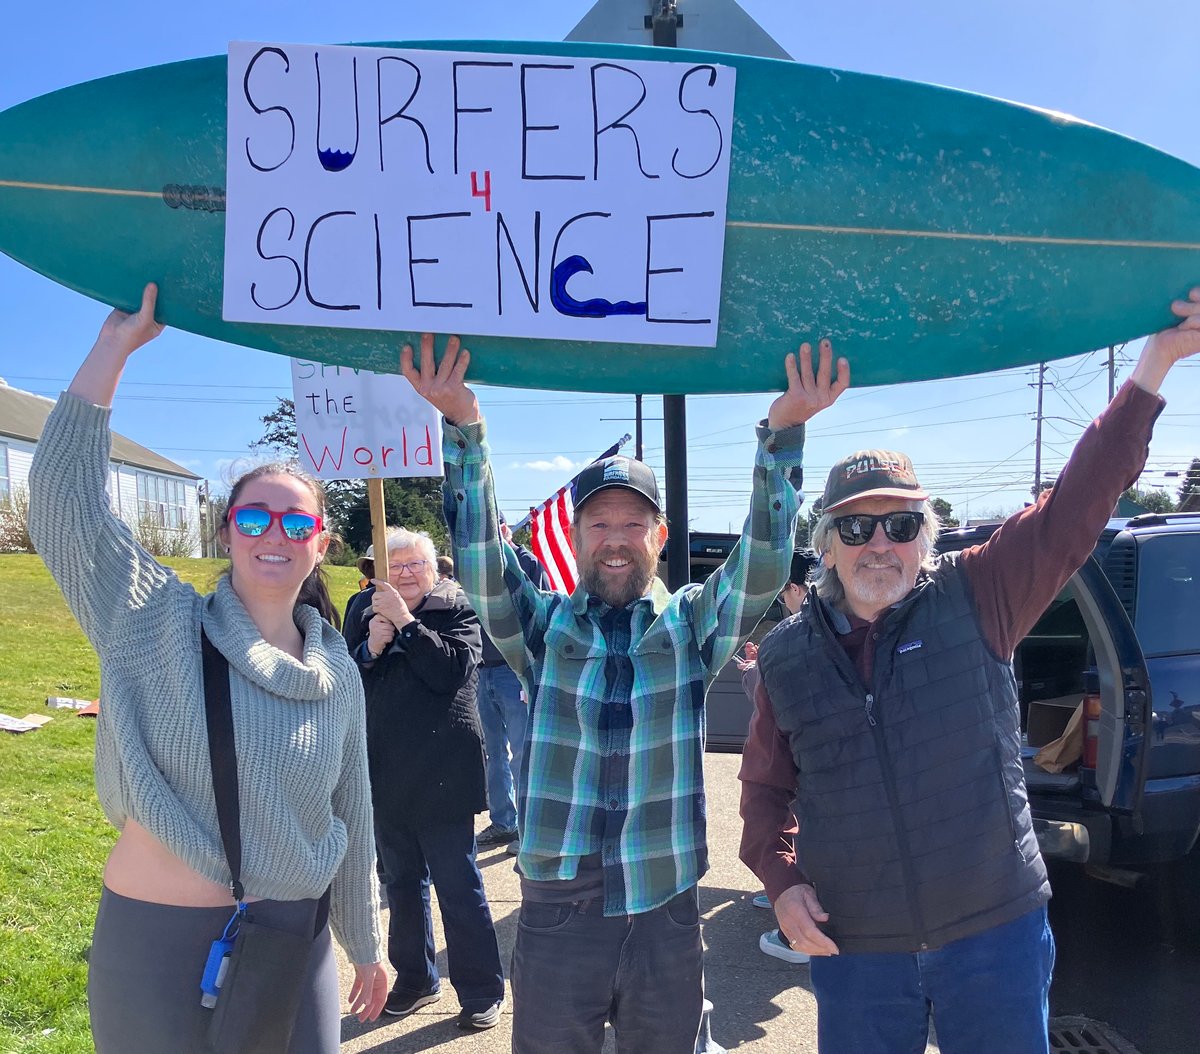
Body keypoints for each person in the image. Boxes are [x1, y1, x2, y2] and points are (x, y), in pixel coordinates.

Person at [739, 290, 1200, 1054]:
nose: (877, 544)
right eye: (855, 526)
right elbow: (762, 790)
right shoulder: (788, 653)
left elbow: (1077, 506)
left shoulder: (980, 591)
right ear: (826, 543)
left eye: (899, 523)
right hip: (857, 947)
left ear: (927, 535)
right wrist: (782, 884)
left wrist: (1154, 365)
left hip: (995, 935)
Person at [402, 331, 849, 1054]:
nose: (616, 539)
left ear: (659, 535)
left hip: (664, 912)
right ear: (576, 535)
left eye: (633, 524)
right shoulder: (542, 629)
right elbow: (481, 553)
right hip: (556, 912)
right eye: (599, 523)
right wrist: (465, 428)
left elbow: (764, 562)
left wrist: (784, 432)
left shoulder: (692, 625)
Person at [27, 284, 386, 1053]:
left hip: (296, 943)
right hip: (160, 947)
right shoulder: (155, 621)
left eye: (298, 521)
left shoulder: (338, 673)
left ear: (322, 544)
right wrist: (112, 350)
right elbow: (63, 504)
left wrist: (368, 943)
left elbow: (352, 821)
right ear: (228, 532)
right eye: (254, 517)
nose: (274, 534)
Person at [345, 527, 506, 1030]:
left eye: (415, 564)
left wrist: (406, 624)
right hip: (383, 768)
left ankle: (481, 989)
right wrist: (368, 649)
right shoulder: (358, 609)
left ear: (433, 569)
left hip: (443, 771)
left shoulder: (458, 607)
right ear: (375, 573)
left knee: (458, 885)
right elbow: (343, 679)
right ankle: (415, 979)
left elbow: (451, 673)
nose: (405, 574)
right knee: (401, 883)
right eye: (393, 566)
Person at [733, 548, 815, 964]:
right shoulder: (847, 621)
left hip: (804, 766)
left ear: (795, 589)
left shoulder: (799, 634)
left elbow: (776, 701)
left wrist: (751, 671)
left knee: (792, 821)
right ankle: (785, 888)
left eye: (785, 593)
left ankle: (798, 924)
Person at [475, 514, 551, 852]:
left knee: (523, 753)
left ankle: (527, 829)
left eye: (495, 529)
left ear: (505, 529)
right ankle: (503, 822)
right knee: (493, 754)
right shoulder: (475, 564)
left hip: (514, 671)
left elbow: (541, 619)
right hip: (480, 669)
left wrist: (530, 674)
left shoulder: (526, 563)